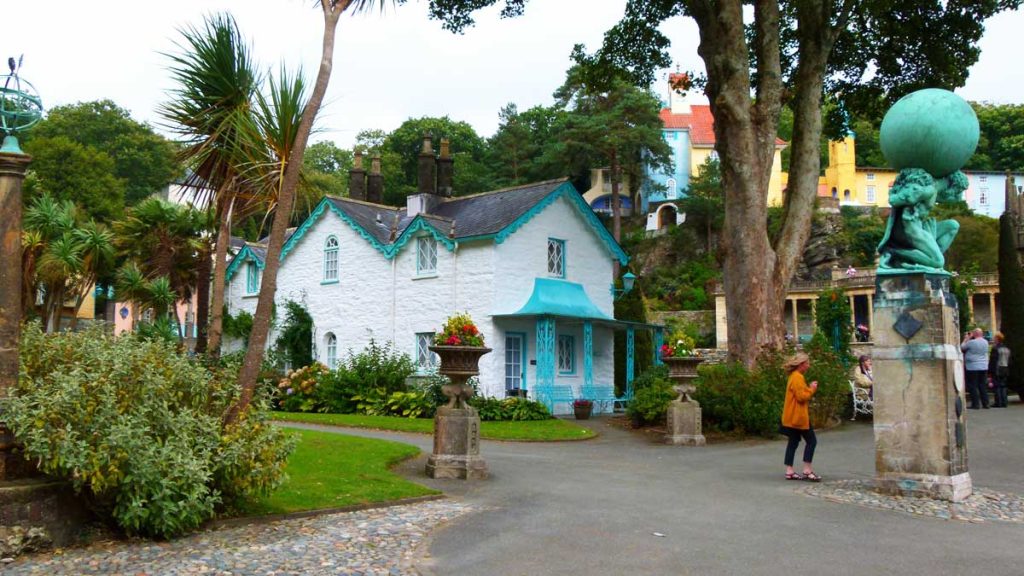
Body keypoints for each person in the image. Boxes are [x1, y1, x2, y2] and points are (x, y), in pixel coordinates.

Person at [780, 352, 821, 482]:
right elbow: (801, 397)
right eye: (807, 363)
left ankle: (789, 470)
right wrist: (812, 389)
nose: (808, 366)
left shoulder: (793, 376)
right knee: (811, 441)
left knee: (793, 442)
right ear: (801, 365)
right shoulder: (797, 377)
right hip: (798, 417)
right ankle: (807, 470)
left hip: (791, 416)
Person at [961, 328, 990, 409]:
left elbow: (962, 347)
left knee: (973, 385)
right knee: (982, 385)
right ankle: (986, 403)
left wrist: (967, 338)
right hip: (983, 366)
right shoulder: (986, 342)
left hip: (972, 366)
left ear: (975, 334)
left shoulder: (972, 342)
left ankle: (976, 404)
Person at [989, 332, 1011, 408]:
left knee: (997, 386)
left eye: (995, 338)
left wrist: (990, 371)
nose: (993, 339)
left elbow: (993, 361)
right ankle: (1004, 402)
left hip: (997, 368)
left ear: (997, 339)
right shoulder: (1006, 348)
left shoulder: (995, 349)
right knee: (1003, 386)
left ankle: (998, 402)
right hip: (1005, 368)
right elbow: (1009, 360)